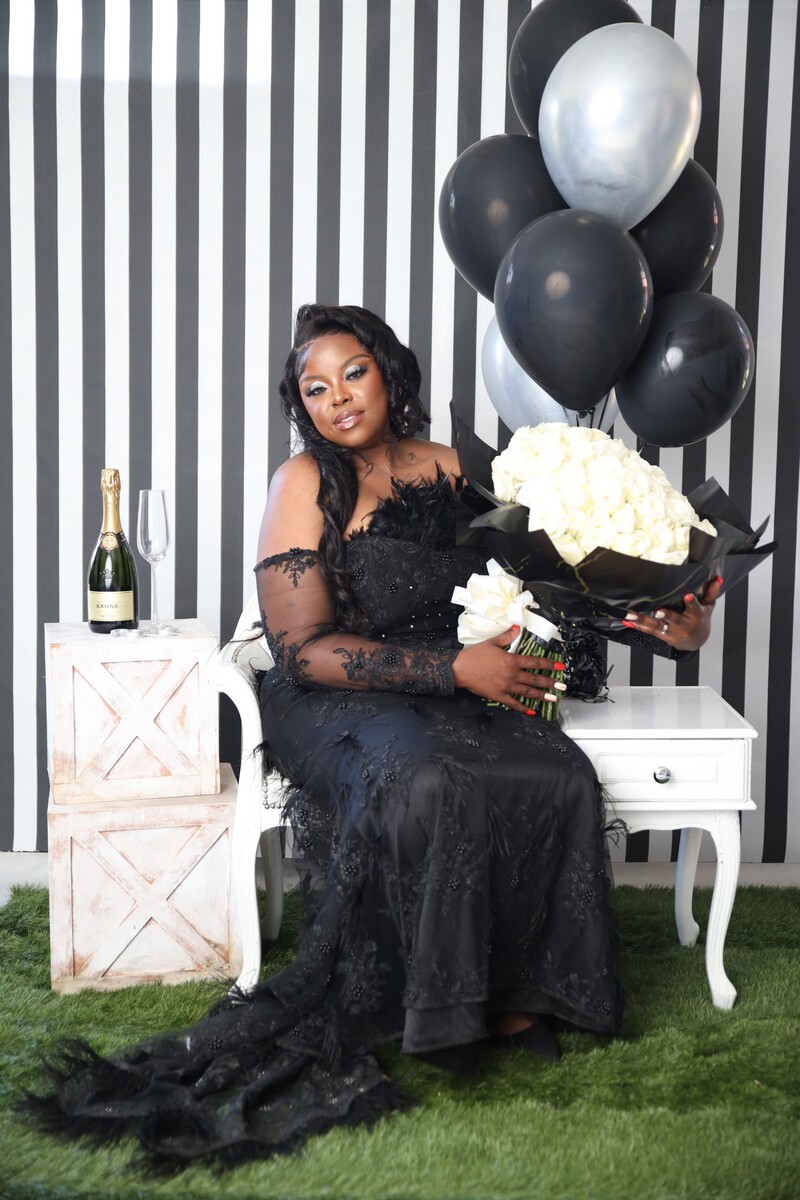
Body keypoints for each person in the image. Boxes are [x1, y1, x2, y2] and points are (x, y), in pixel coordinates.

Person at [27, 304, 718, 1166]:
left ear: (388, 374)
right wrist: (453, 671)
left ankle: (516, 995)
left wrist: (668, 619)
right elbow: (301, 649)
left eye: (352, 374)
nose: (339, 399)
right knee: (420, 778)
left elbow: (553, 581)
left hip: (458, 676)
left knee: (557, 770)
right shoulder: (303, 483)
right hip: (334, 690)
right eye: (315, 389)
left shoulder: (457, 468)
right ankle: (439, 1007)